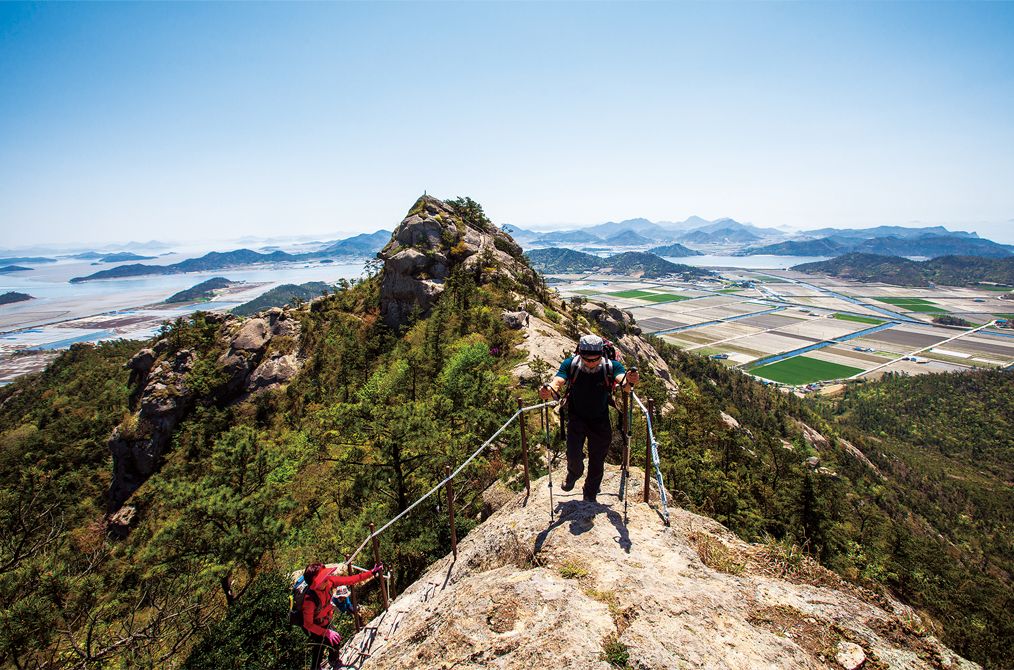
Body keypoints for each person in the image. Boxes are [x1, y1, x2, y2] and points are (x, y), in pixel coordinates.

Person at [539, 334, 639, 502]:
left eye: (595, 360)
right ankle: (574, 472)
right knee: (573, 455)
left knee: (597, 460)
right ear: (580, 354)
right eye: (587, 359)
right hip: (577, 418)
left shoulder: (611, 366)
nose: (591, 363)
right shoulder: (570, 365)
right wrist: (548, 389)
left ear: (601, 354)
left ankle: (590, 493)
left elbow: (624, 385)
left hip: (600, 420)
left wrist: (630, 381)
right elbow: (558, 381)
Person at [302, 561, 383, 670]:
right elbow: (307, 624)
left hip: (323, 622)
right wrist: (326, 632)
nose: (326, 577)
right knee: (328, 641)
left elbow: (351, 579)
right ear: (315, 583)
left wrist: (372, 572)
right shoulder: (309, 600)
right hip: (312, 627)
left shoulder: (329, 582)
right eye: (322, 577)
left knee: (322, 645)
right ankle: (332, 662)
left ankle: (318, 666)